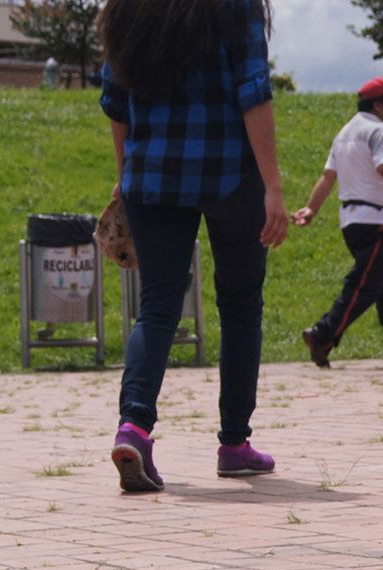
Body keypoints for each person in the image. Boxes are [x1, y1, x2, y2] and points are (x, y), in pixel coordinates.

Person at [98, 0, 289, 493]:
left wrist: (125, 175)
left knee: (157, 305)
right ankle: (234, 444)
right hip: (229, 175)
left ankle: (133, 428)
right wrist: (273, 187)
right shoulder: (235, 5)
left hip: (151, 176)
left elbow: (115, 99)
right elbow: (253, 92)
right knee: (241, 306)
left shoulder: (127, 8)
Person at [293, 77, 383, 369]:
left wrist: (311, 208)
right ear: (378, 105)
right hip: (376, 221)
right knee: (364, 285)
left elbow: (328, 177)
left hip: (353, 222)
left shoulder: (344, 133)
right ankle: (323, 334)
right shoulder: (380, 131)